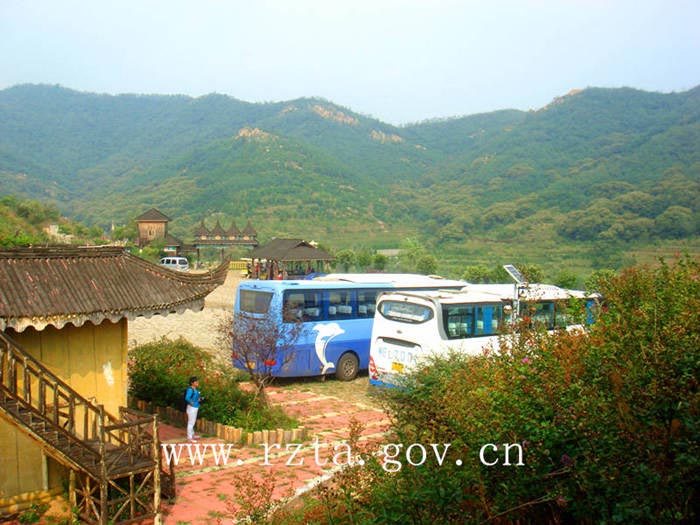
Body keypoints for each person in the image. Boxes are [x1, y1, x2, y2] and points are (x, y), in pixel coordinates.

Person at [185, 376, 201, 441]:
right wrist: (191, 402)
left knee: (193, 422)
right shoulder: (190, 390)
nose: (197, 382)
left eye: (197, 381)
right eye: (196, 381)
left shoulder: (195, 390)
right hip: (191, 408)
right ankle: (189, 437)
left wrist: (199, 399)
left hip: (195, 407)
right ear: (192, 383)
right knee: (191, 423)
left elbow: (195, 398)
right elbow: (187, 398)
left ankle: (192, 434)